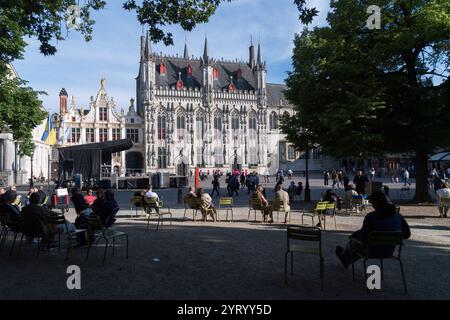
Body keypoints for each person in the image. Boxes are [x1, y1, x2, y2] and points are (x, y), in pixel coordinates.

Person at [335, 190, 411, 268]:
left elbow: (364, 239)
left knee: (353, 242)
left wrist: (356, 236)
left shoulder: (371, 217)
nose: (372, 205)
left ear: (376, 204)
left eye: (372, 202)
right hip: (389, 251)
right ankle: (344, 256)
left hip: (371, 251)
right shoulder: (398, 216)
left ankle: (344, 257)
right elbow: (407, 234)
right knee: (356, 240)